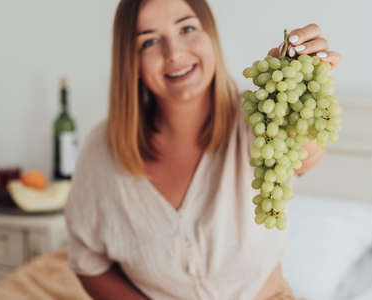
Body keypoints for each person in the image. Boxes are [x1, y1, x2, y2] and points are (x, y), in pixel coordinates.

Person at [64, 0, 342, 299]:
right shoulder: (101, 151)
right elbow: (87, 260)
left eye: (186, 28)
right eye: (150, 41)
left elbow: (303, 153)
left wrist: (295, 93)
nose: (174, 53)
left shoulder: (259, 118)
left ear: (210, 34)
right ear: (130, 59)